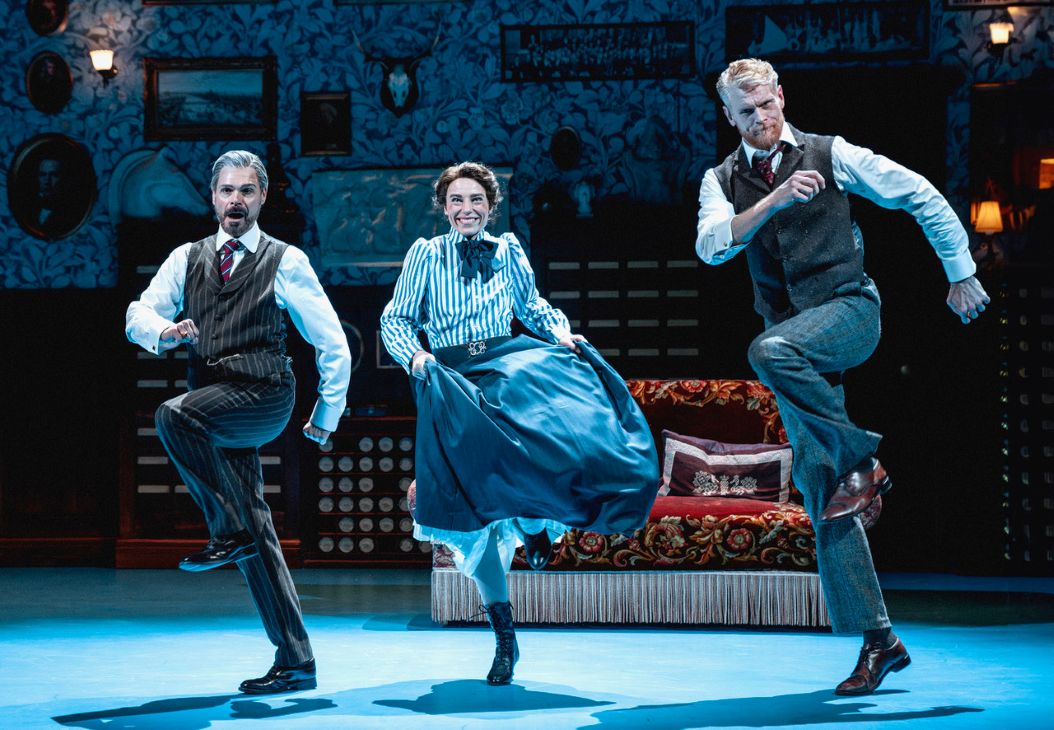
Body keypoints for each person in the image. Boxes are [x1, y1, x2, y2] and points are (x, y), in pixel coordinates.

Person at [696, 59, 990, 696]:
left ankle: (864, 460)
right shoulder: (720, 180)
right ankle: (879, 640)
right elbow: (712, 246)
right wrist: (775, 198)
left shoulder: (833, 153)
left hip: (850, 312)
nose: (760, 118)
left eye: (766, 104)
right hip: (793, 338)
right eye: (745, 112)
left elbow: (919, 193)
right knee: (824, 488)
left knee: (769, 351)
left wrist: (960, 271)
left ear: (780, 96)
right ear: (729, 116)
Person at [380, 161, 658, 685]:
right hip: (453, 379)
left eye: (476, 200)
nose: (466, 209)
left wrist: (561, 334)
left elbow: (531, 306)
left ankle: (533, 526)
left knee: (551, 444)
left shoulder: (508, 249)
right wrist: (415, 357)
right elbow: (395, 318)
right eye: (457, 200)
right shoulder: (426, 254)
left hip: (508, 366)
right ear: (444, 207)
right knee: (476, 516)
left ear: (491, 206)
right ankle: (504, 636)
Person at [125, 150, 351, 694]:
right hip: (216, 402)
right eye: (227, 190)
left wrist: (326, 414)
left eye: (247, 190)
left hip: (265, 393)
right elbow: (138, 313)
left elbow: (332, 341)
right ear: (213, 196)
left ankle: (227, 531)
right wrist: (163, 331)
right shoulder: (187, 257)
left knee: (172, 415)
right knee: (256, 528)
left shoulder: (285, 260)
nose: (236, 200)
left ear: (262, 197)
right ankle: (296, 659)